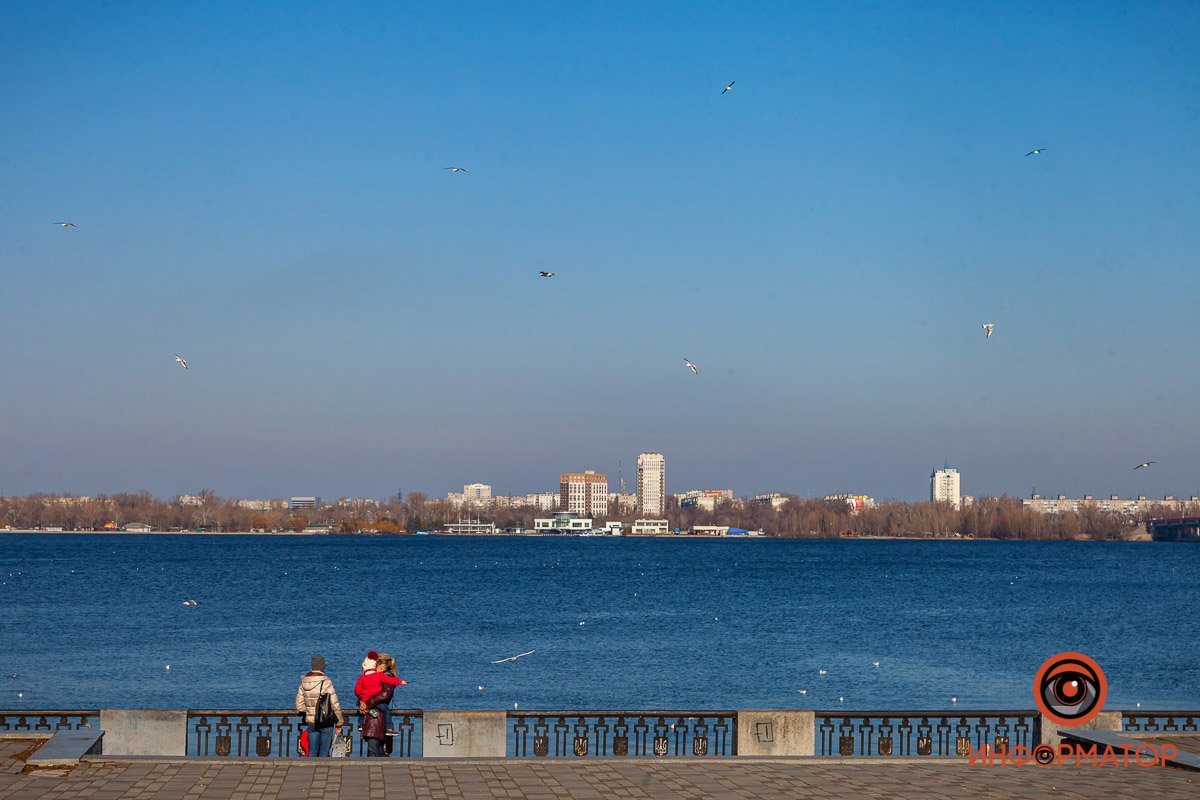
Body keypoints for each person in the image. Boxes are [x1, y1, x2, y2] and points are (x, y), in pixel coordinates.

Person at [353, 650, 407, 757]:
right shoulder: (377, 677)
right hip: (373, 717)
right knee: (374, 750)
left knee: (374, 751)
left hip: (377, 719)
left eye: (375, 664)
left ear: (381, 666)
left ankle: (374, 771)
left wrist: (366, 702)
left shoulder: (386, 677)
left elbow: (384, 695)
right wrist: (361, 701)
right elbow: (364, 692)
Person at [295, 654, 345, 758]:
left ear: (312, 666)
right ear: (323, 666)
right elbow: (334, 704)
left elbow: (299, 706)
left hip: (311, 722)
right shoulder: (326, 682)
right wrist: (339, 721)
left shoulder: (304, 682)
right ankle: (322, 772)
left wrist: (310, 710)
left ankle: (311, 771)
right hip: (326, 721)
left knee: (312, 752)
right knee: (324, 753)